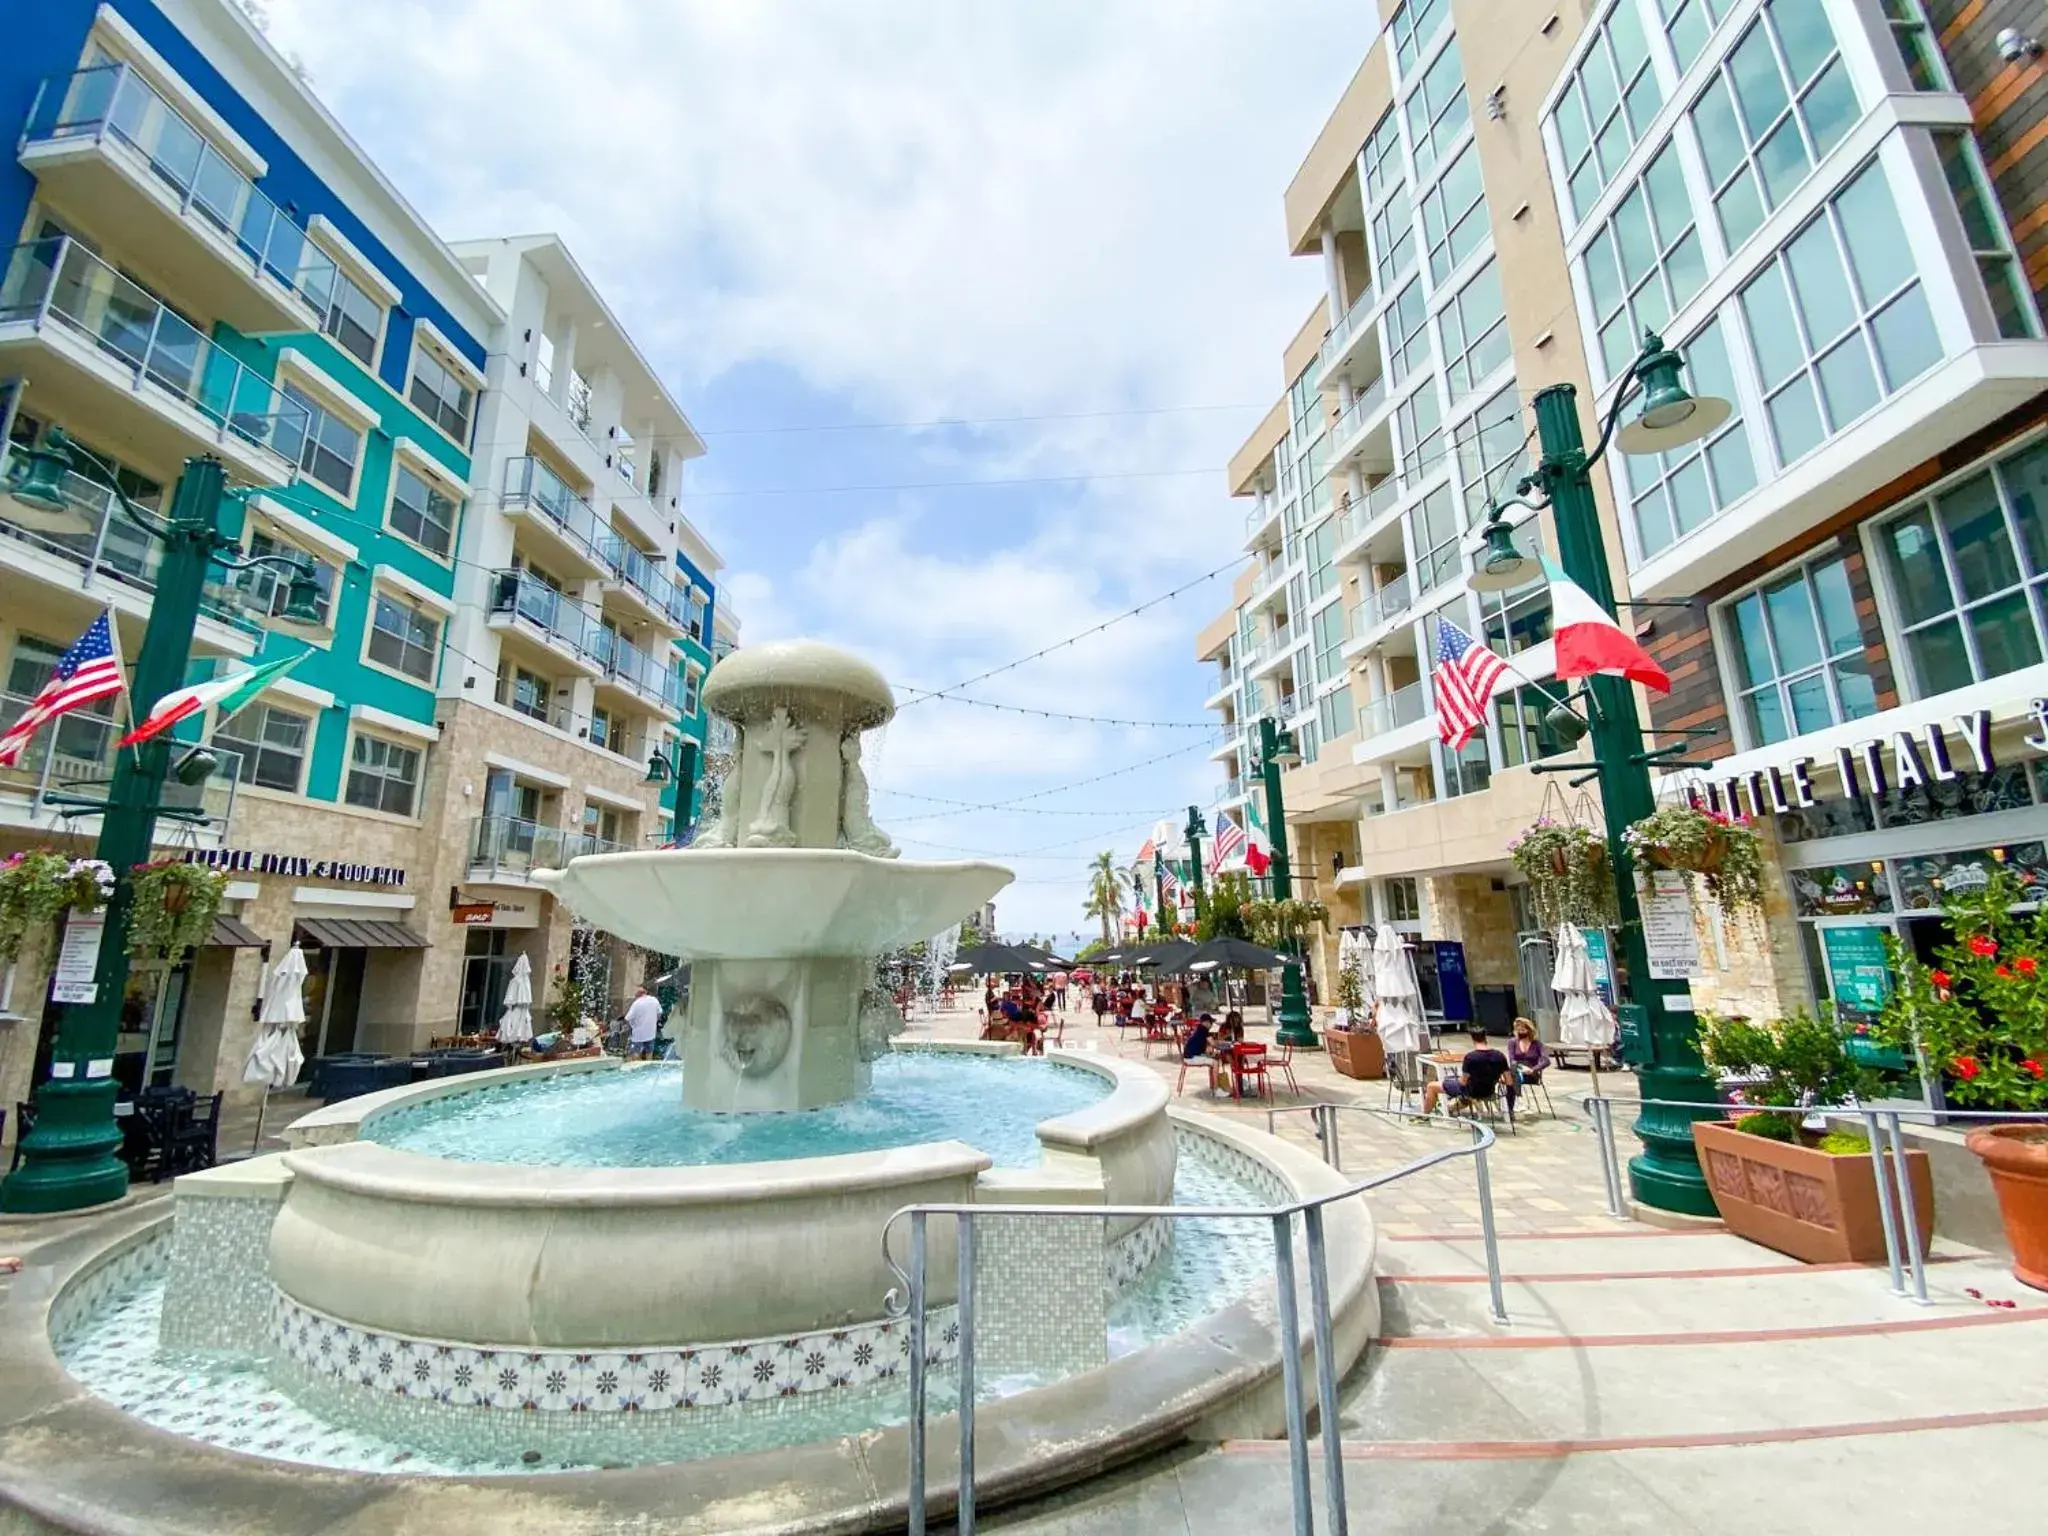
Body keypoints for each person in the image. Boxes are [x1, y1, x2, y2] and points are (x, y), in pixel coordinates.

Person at [1422, 1028, 1511, 1116]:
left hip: (1471, 1091)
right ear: (1485, 1038)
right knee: (1464, 1088)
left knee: (1431, 1086)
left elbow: (1463, 1082)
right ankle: (1450, 1109)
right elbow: (1509, 1081)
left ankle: (1424, 1116)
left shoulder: (1470, 1057)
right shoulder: (1500, 1056)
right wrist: (1494, 1078)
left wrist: (1457, 1079)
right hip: (1489, 1091)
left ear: (1472, 1039)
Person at [624, 985, 662, 1061]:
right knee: (649, 1053)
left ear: (637, 994)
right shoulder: (654, 1000)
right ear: (646, 992)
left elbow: (627, 1018)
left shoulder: (636, 1003)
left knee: (635, 1053)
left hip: (638, 1035)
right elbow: (659, 1013)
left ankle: (637, 1068)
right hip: (651, 1033)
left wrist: (632, 1024)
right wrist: (654, 1021)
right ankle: (647, 1068)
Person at [1509, 1017, 1549, 1084]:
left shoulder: (1537, 1044)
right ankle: (1513, 1094)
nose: (1520, 1032)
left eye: (1522, 1030)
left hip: (1532, 1073)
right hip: (1517, 1070)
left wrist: (1533, 1069)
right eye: (1518, 1030)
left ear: (1529, 1030)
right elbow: (1512, 1059)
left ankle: (1514, 1093)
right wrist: (1520, 1068)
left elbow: (1546, 1061)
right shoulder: (1512, 1042)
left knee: (1512, 1078)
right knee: (1509, 1075)